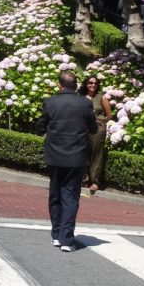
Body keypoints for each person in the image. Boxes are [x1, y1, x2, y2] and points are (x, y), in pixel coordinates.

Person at [35, 71, 97, 252]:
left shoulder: (51, 102)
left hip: (54, 156)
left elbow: (40, 127)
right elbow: (93, 128)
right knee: (70, 197)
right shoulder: (85, 103)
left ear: (59, 85)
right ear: (76, 85)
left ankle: (56, 234)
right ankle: (66, 239)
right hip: (76, 157)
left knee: (55, 195)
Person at [78, 76, 112, 195]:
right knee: (83, 152)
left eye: (95, 83)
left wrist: (100, 122)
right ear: (86, 84)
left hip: (98, 128)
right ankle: (84, 179)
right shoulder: (81, 97)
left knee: (96, 154)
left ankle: (95, 181)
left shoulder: (101, 97)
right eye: (90, 83)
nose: (93, 85)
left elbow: (109, 115)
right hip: (83, 128)